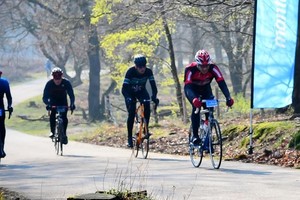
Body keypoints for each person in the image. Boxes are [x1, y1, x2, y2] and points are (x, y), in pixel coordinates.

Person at [184, 49, 234, 145]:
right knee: (196, 107)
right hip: (193, 91)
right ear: (197, 64)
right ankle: (195, 135)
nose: (205, 69)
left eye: (206, 66)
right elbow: (188, 87)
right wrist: (194, 99)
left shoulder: (213, 68)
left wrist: (228, 97)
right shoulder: (190, 69)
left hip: (206, 90)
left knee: (210, 110)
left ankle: (207, 136)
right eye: (202, 66)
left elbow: (221, 83)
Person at [122, 54, 159, 148]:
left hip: (141, 91)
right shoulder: (130, 72)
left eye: (144, 66)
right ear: (135, 66)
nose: (142, 69)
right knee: (131, 113)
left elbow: (153, 86)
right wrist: (128, 98)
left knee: (147, 105)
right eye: (139, 67)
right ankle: (129, 137)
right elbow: (124, 88)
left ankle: (145, 129)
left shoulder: (148, 71)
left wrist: (154, 96)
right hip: (130, 93)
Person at [42, 67, 75, 144]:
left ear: (62, 76)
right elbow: (44, 97)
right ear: (53, 77)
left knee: (64, 117)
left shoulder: (66, 83)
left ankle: (64, 134)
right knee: (52, 115)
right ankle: (52, 132)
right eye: (55, 77)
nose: (57, 80)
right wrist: (48, 104)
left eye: (59, 77)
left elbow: (71, 95)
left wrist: (72, 104)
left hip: (63, 102)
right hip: (53, 102)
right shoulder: (49, 84)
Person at [0, 71, 13, 158]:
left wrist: (9, 106)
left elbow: (9, 96)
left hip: (0, 107)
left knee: (1, 126)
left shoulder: (4, 82)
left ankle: (1, 148)